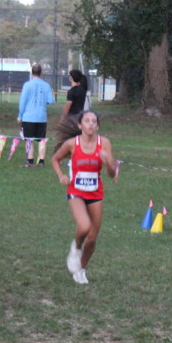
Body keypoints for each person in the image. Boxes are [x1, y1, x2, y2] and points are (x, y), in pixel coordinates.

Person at [50, 111, 117, 284]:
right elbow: (55, 159)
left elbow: (111, 174)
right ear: (80, 125)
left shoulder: (105, 143)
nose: (91, 124)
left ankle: (81, 270)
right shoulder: (72, 144)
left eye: (94, 121)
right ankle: (76, 247)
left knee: (92, 238)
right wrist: (61, 175)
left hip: (95, 193)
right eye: (87, 121)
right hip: (76, 192)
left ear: (98, 126)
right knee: (84, 226)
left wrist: (108, 161)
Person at [17, 63, 55, 167]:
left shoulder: (27, 85)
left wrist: (20, 115)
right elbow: (51, 100)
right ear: (40, 72)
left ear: (32, 72)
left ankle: (30, 161)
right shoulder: (46, 85)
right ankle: (41, 161)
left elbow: (22, 102)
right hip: (41, 117)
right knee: (41, 139)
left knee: (29, 139)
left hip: (28, 117)